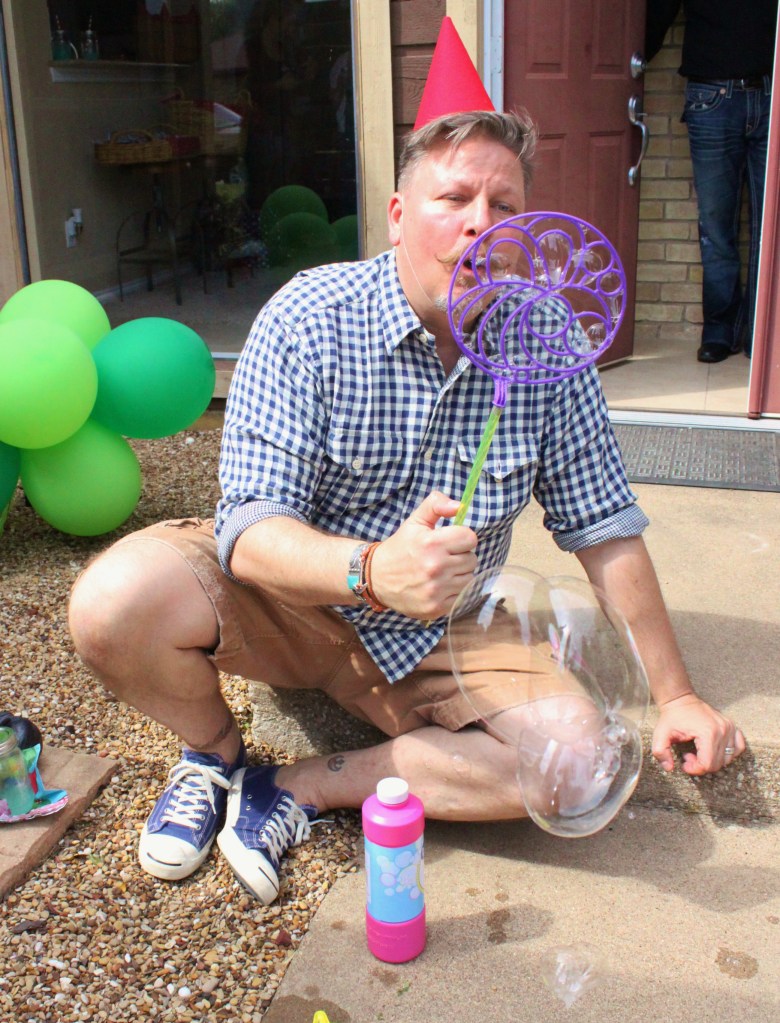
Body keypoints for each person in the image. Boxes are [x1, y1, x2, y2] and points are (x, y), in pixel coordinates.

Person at [68, 25, 745, 907]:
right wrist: (372, 569)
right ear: (397, 214)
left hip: (452, 627)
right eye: (454, 196)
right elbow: (248, 529)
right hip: (299, 601)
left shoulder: (545, 340)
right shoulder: (310, 316)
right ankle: (214, 756)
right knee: (113, 601)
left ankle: (304, 785)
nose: (479, 224)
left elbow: (604, 527)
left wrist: (679, 694)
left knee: (581, 768)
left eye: (505, 206)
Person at [645, 1, 778, 363]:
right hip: (712, 96)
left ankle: (762, 333)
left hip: (773, 91)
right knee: (716, 226)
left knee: (770, 228)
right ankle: (720, 331)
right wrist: (621, 62)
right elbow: (656, 14)